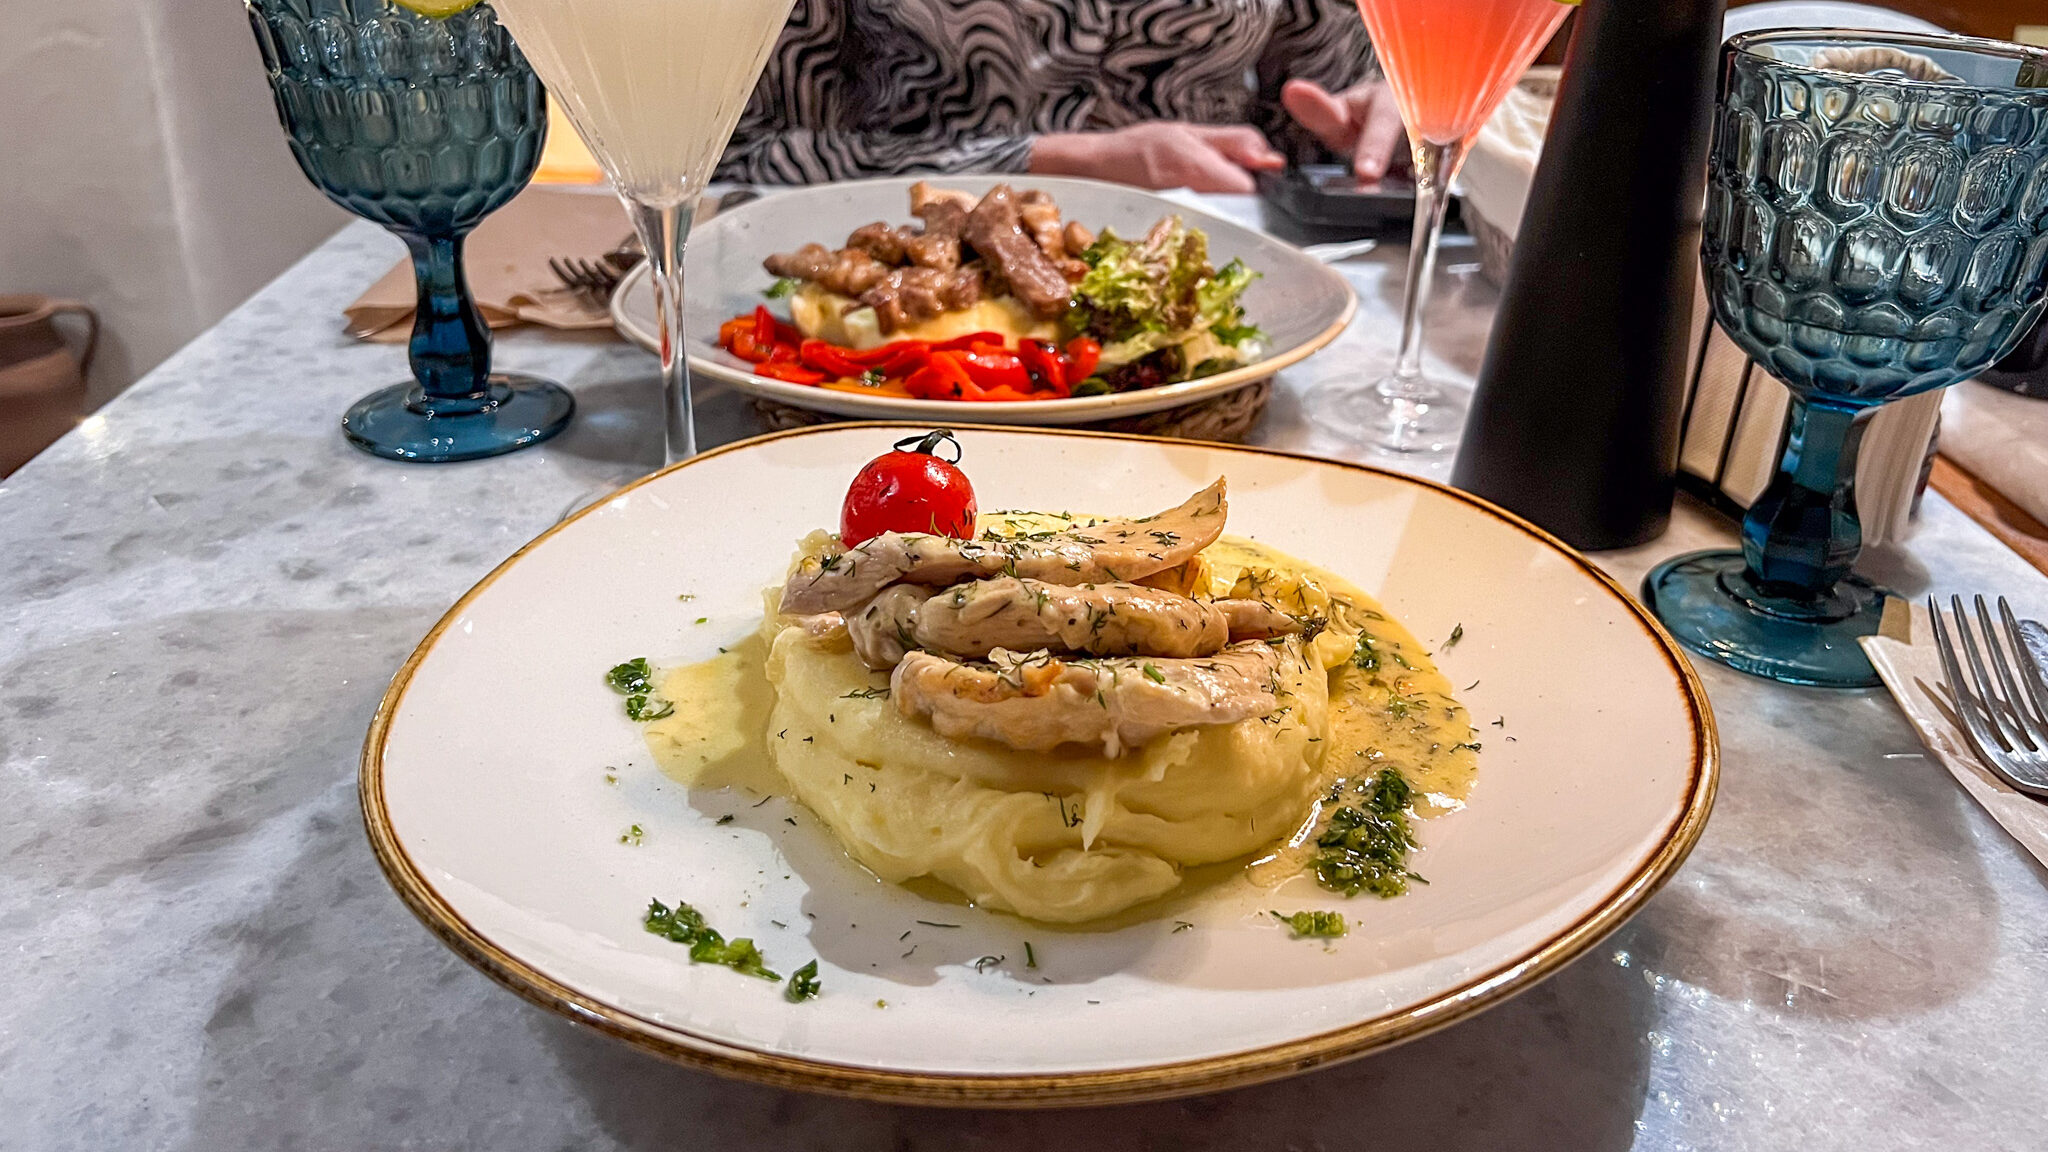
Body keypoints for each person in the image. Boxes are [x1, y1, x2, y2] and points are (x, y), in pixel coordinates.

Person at [715, 0, 1406, 194]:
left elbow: (1316, 117)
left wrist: (1372, 124)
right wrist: (1057, 158)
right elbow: (734, 159)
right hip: (902, 295)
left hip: (1226, 292)